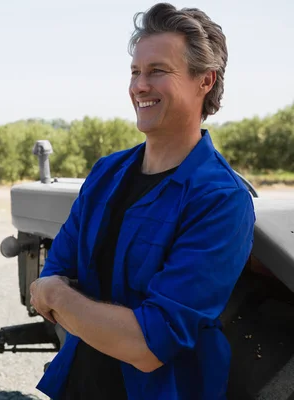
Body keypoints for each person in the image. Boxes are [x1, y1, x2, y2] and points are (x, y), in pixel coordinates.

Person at [29, 3, 256, 399]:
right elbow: (54, 269)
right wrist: (66, 299)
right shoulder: (106, 174)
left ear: (205, 80)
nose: (139, 85)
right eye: (135, 71)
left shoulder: (221, 200)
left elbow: (148, 346)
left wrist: (60, 297)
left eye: (158, 71)